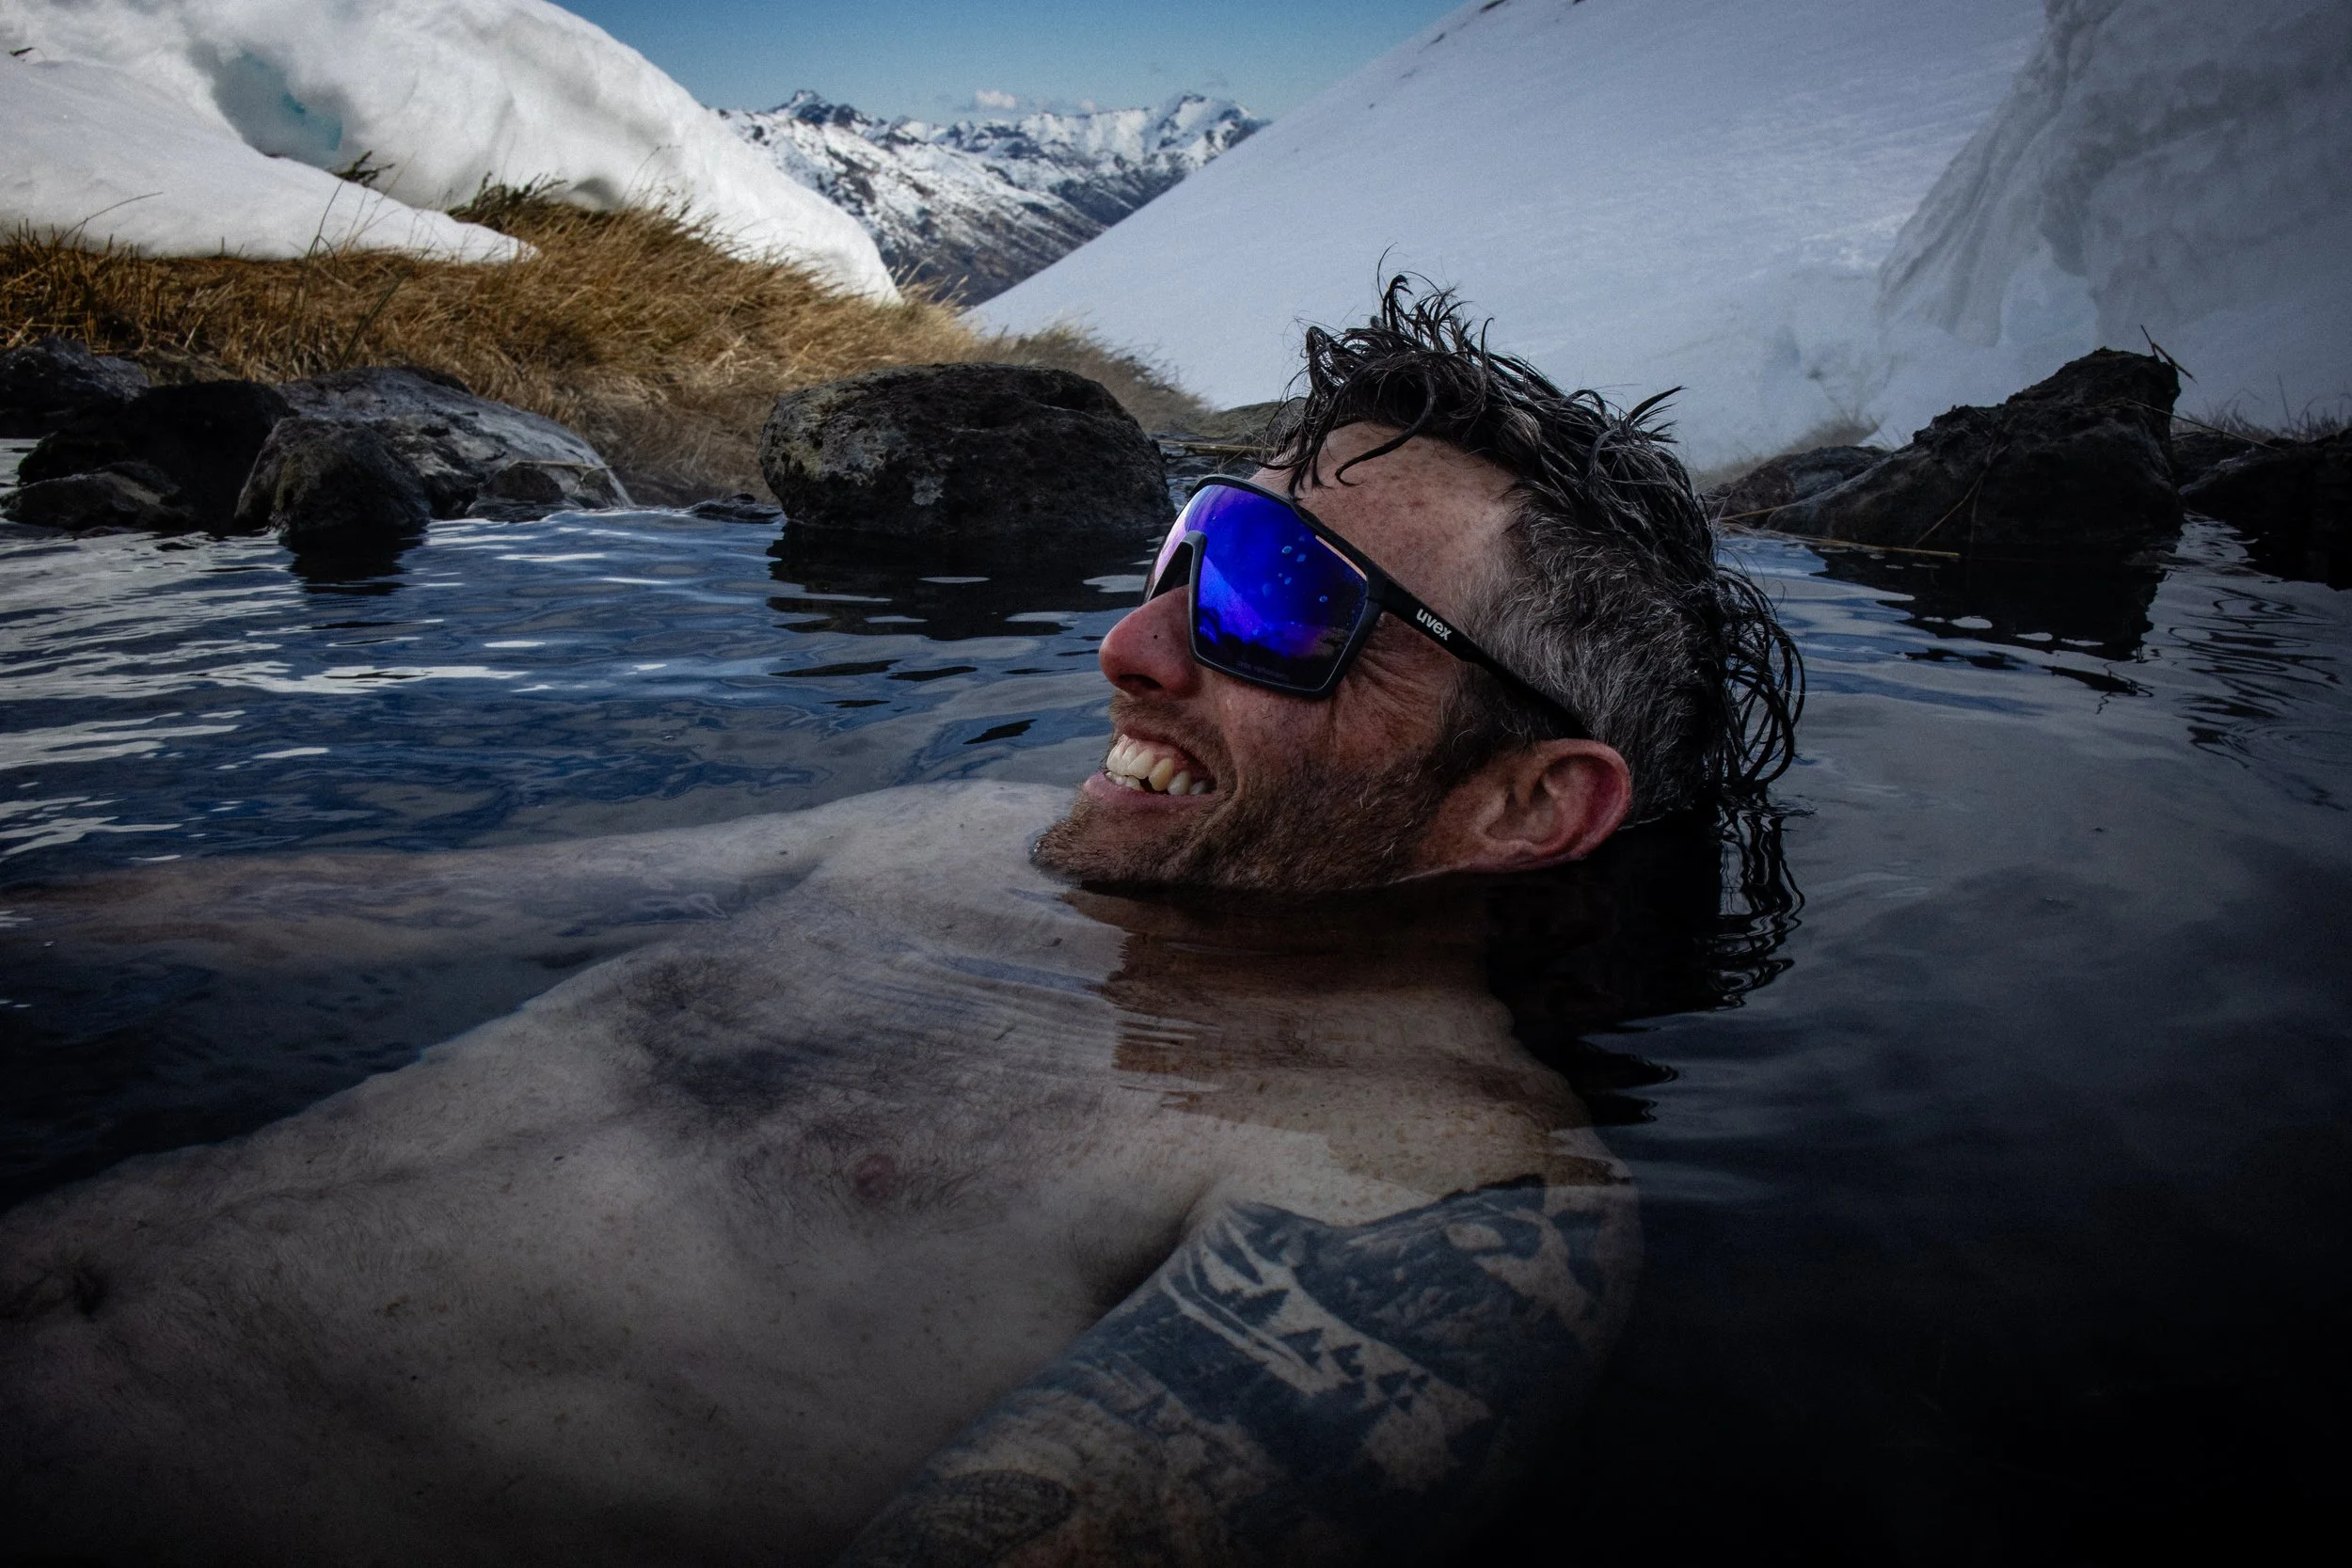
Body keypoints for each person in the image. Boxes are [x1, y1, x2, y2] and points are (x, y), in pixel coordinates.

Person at [0, 282, 1798, 1566]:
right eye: (1196, 543)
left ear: (1526, 804)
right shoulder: (949, 836)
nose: (1131, 643)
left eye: (1275, 601)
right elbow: (328, 910)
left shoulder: (1435, 1195)